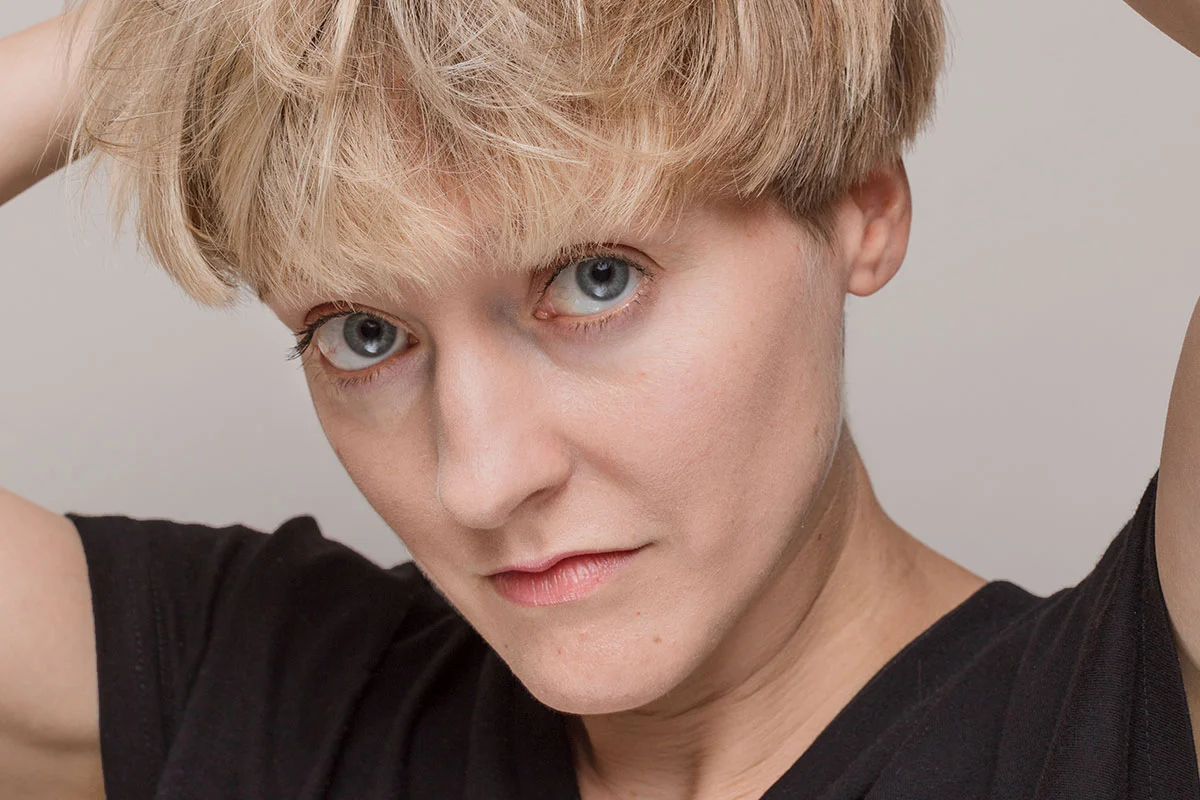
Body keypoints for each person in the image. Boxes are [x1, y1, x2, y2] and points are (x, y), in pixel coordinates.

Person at [0, 1, 1196, 798]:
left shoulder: (1127, 715)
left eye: (595, 279)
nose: (481, 478)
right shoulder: (288, 698)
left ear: (857, 203)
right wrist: (169, 34)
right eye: (366, 334)